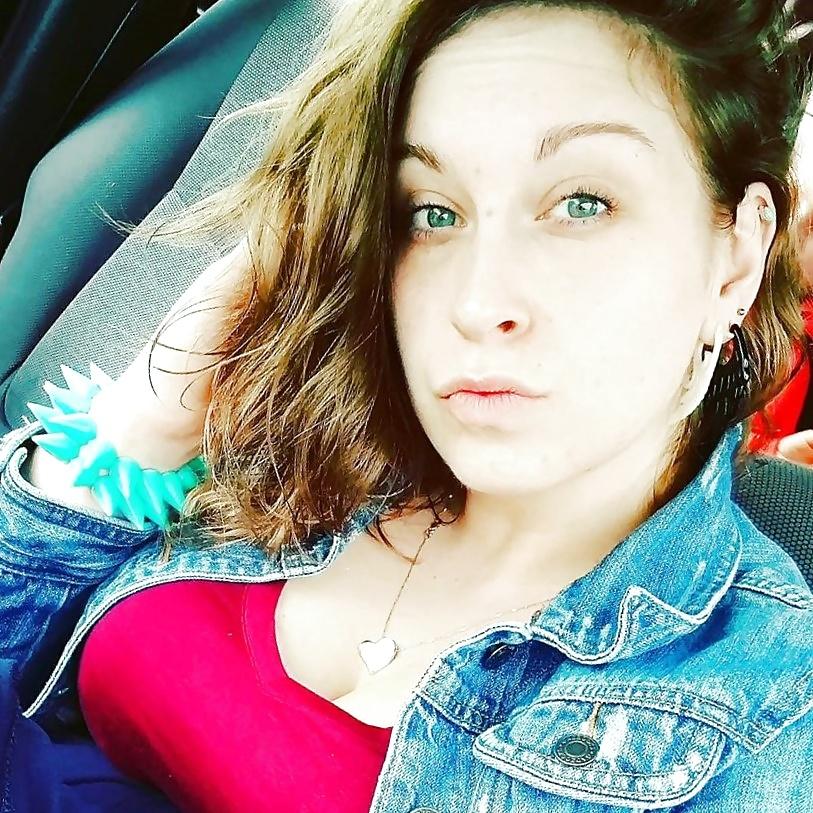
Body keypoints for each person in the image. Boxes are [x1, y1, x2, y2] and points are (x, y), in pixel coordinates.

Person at [2, 0, 813, 810]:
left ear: (736, 252)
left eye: (581, 203)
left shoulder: (775, 709)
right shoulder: (300, 443)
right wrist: (146, 430)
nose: (477, 303)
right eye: (431, 213)